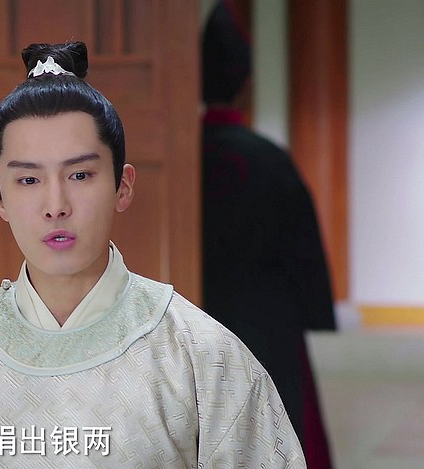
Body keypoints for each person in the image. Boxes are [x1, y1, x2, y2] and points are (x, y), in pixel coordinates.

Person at [0, 41, 305, 468]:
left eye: (79, 175)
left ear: (122, 186)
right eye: (28, 180)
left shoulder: (200, 353)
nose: (56, 205)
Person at [201, 1, 337, 467]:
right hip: (269, 315)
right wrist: (316, 309)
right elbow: (302, 246)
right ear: (246, 85)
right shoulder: (269, 159)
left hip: (197, 306)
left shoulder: (179, 162)